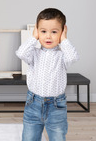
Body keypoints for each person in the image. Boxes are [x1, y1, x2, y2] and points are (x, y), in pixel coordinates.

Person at [16, 8, 79, 141]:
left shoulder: (62, 55)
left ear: (62, 32)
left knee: (58, 137)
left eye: (54, 32)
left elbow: (73, 57)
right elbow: (21, 53)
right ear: (37, 31)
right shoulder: (34, 53)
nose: (48, 36)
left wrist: (64, 39)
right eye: (43, 31)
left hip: (56, 107)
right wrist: (33, 37)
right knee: (29, 138)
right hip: (33, 103)